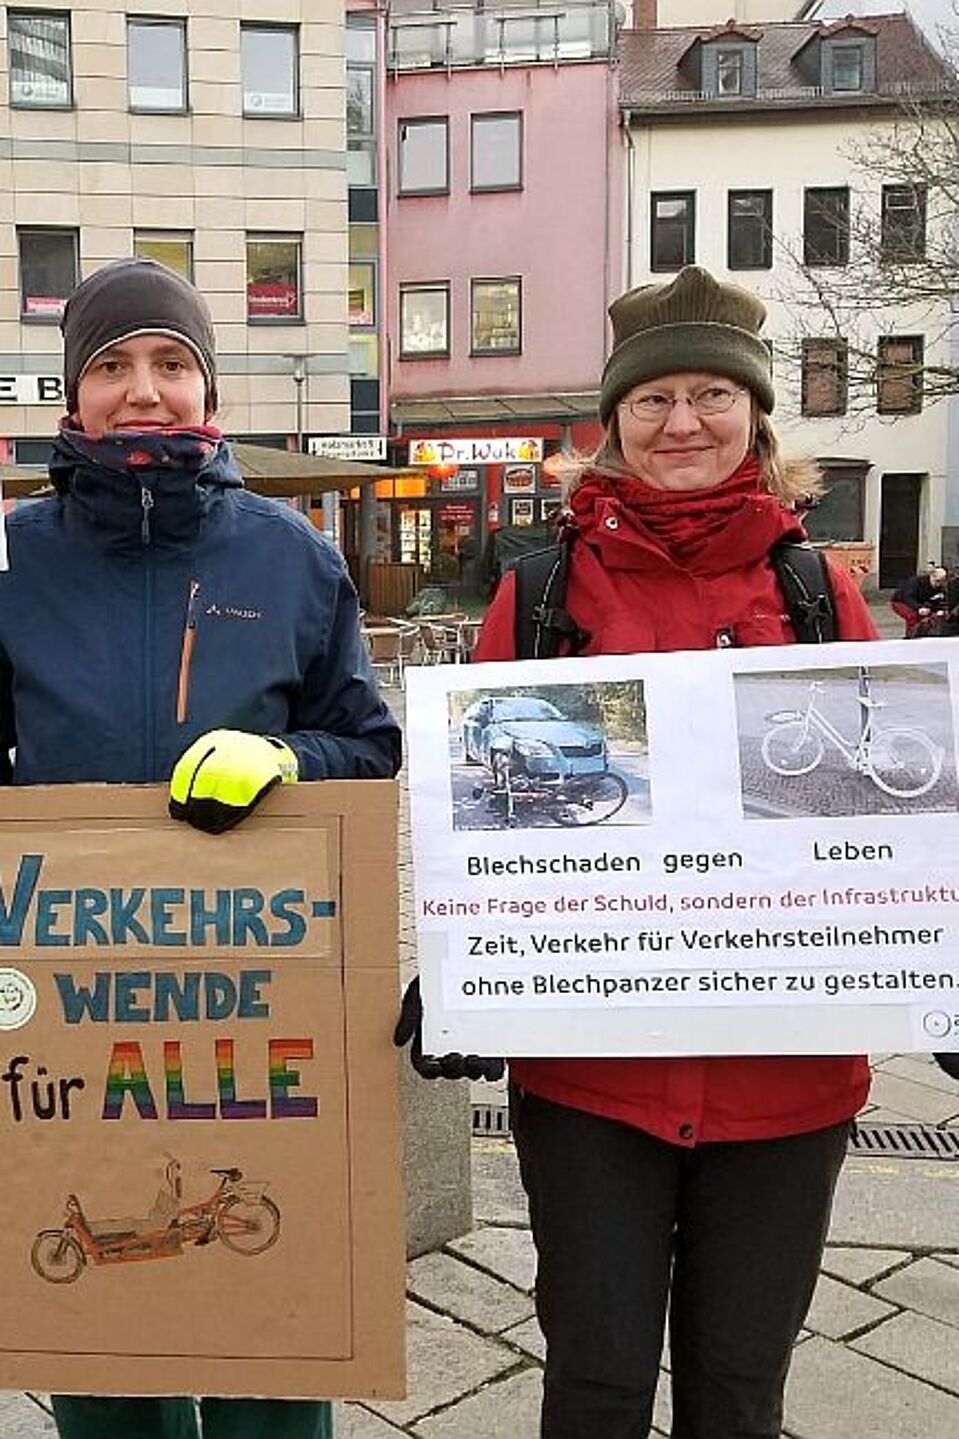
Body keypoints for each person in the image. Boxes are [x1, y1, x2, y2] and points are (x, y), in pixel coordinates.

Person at [465, 266, 879, 1438]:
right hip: (593, 1077)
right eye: (651, 399)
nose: (681, 421)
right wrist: (459, 961)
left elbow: (887, 818)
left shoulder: (815, 592)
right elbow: (487, 803)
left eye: (710, 393)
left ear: (756, 414)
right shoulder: (541, 593)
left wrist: (934, 966)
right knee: (591, 1388)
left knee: (736, 1395)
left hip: (785, 1076)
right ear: (611, 422)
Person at [0, 258, 402, 1439]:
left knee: (269, 1354)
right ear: (71, 399)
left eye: (170, 362)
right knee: (104, 1352)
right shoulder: (14, 561)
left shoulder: (286, 551)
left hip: (256, 989)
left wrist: (286, 761)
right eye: (111, 365)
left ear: (208, 385)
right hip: (69, 1000)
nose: (143, 389)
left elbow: (365, 745)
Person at [890, 565, 949, 636]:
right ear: (932, 576)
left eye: (942, 582)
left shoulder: (940, 587)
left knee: (932, 616)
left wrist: (940, 609)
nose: (938, 584)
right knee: (912, 616)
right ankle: (911, 636)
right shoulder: (915, 582)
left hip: (919, 602)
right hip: (900, 601)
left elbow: (938, 600)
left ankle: (923, 634)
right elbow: (908, 597)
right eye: (937, 581)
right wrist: (919, 608)